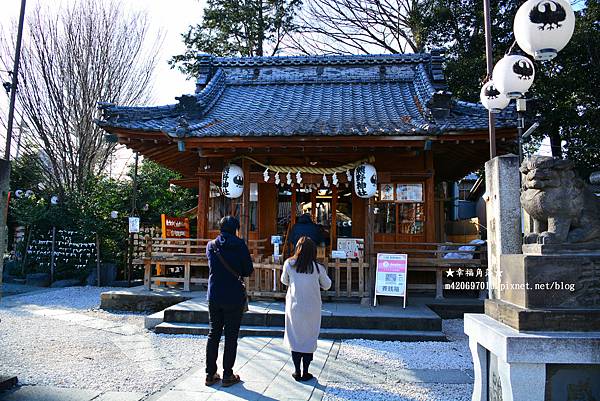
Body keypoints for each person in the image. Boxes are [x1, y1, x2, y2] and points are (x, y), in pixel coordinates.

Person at [205, 216, 254, 387]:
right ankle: (227, 374)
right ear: (236, 229)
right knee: (231, 336)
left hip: (215, 295)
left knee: (213, 334)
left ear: (220, 228)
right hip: (233, 295)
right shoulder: (240, 245)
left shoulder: (211, 246)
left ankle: (210, 374)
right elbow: (248, 270)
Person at [281, 236, 332, 382]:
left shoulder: (289, 264)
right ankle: (306, 371)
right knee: (309, 338)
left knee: (295, 338)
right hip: (312, 308)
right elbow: (327, 285)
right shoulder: (317, 268)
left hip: (294, 307)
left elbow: (284, 280)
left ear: (297, 249)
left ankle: (297, 371)